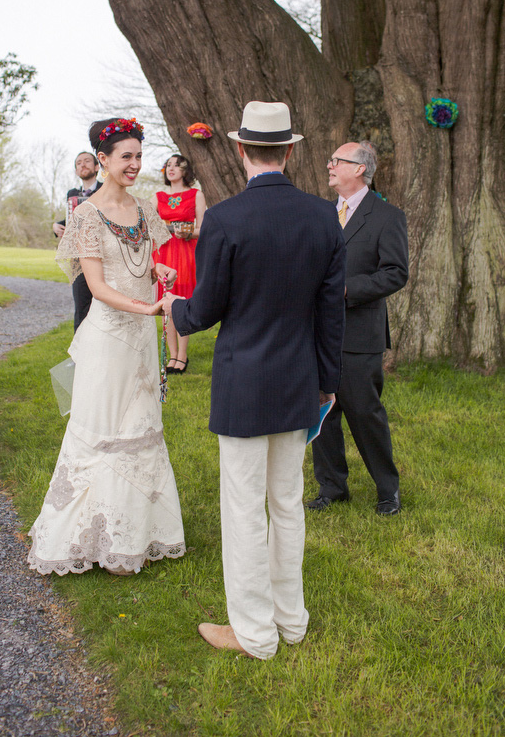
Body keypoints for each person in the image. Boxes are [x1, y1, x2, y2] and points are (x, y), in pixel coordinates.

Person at [162, 101, 346, 659]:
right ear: (290, 151)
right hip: (298, 379)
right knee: (287, 502)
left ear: (242, 150)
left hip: (244, 383)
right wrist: (327, 381)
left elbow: (207, 308)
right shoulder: (323, 215)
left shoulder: (225, 217)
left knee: (244, 507)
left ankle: (255, 634)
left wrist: (174, 307)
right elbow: (330, 310)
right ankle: (291, 620)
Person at [28, 117, 186, 577]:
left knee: (140, 425)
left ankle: (134, 535)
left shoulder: (143, 209)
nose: (135, 164)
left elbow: (147, 258)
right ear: (103, 159)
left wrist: (161, 272)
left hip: (140, 338)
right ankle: (86, 535)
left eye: (139, 155)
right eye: (126, 157)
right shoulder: (86, 215)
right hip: (109, 335)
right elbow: (96, 286)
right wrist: (148, 308)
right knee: (101, 430)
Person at [306, 141, 408, 516]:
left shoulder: (387, 216)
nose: (329, 164)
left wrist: (346, 290)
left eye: (337, 160)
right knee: (322, 412)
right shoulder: (319, 213)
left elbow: (396, 273)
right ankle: (332, 487)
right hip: (315, 330)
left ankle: (387, 490)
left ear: (360, 168)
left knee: (365, 413)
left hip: (360, 332)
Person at [153, 154, 206, 373]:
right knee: (166, 303)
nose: (171, 168)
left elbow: (203, 230)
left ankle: (182, 356)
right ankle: (172, 355)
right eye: (168, 165)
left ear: (186, 170)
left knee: (181, 303)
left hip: (186, 252)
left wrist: (187, 232)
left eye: (177, 165)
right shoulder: (158, 197)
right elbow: (144, 222)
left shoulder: (196, 195)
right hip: (164, 252)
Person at [53, 151, 103, 331]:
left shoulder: (106, 189)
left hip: (103, 254)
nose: (82, 165)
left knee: (103, 305)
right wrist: (57, 226)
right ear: (76, 171)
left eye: (87, 161)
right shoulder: (72, 194)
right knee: (81, 305)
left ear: (97, 167)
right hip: (78, 255)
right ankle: (80, 354)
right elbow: (72, 220)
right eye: (79, 163)